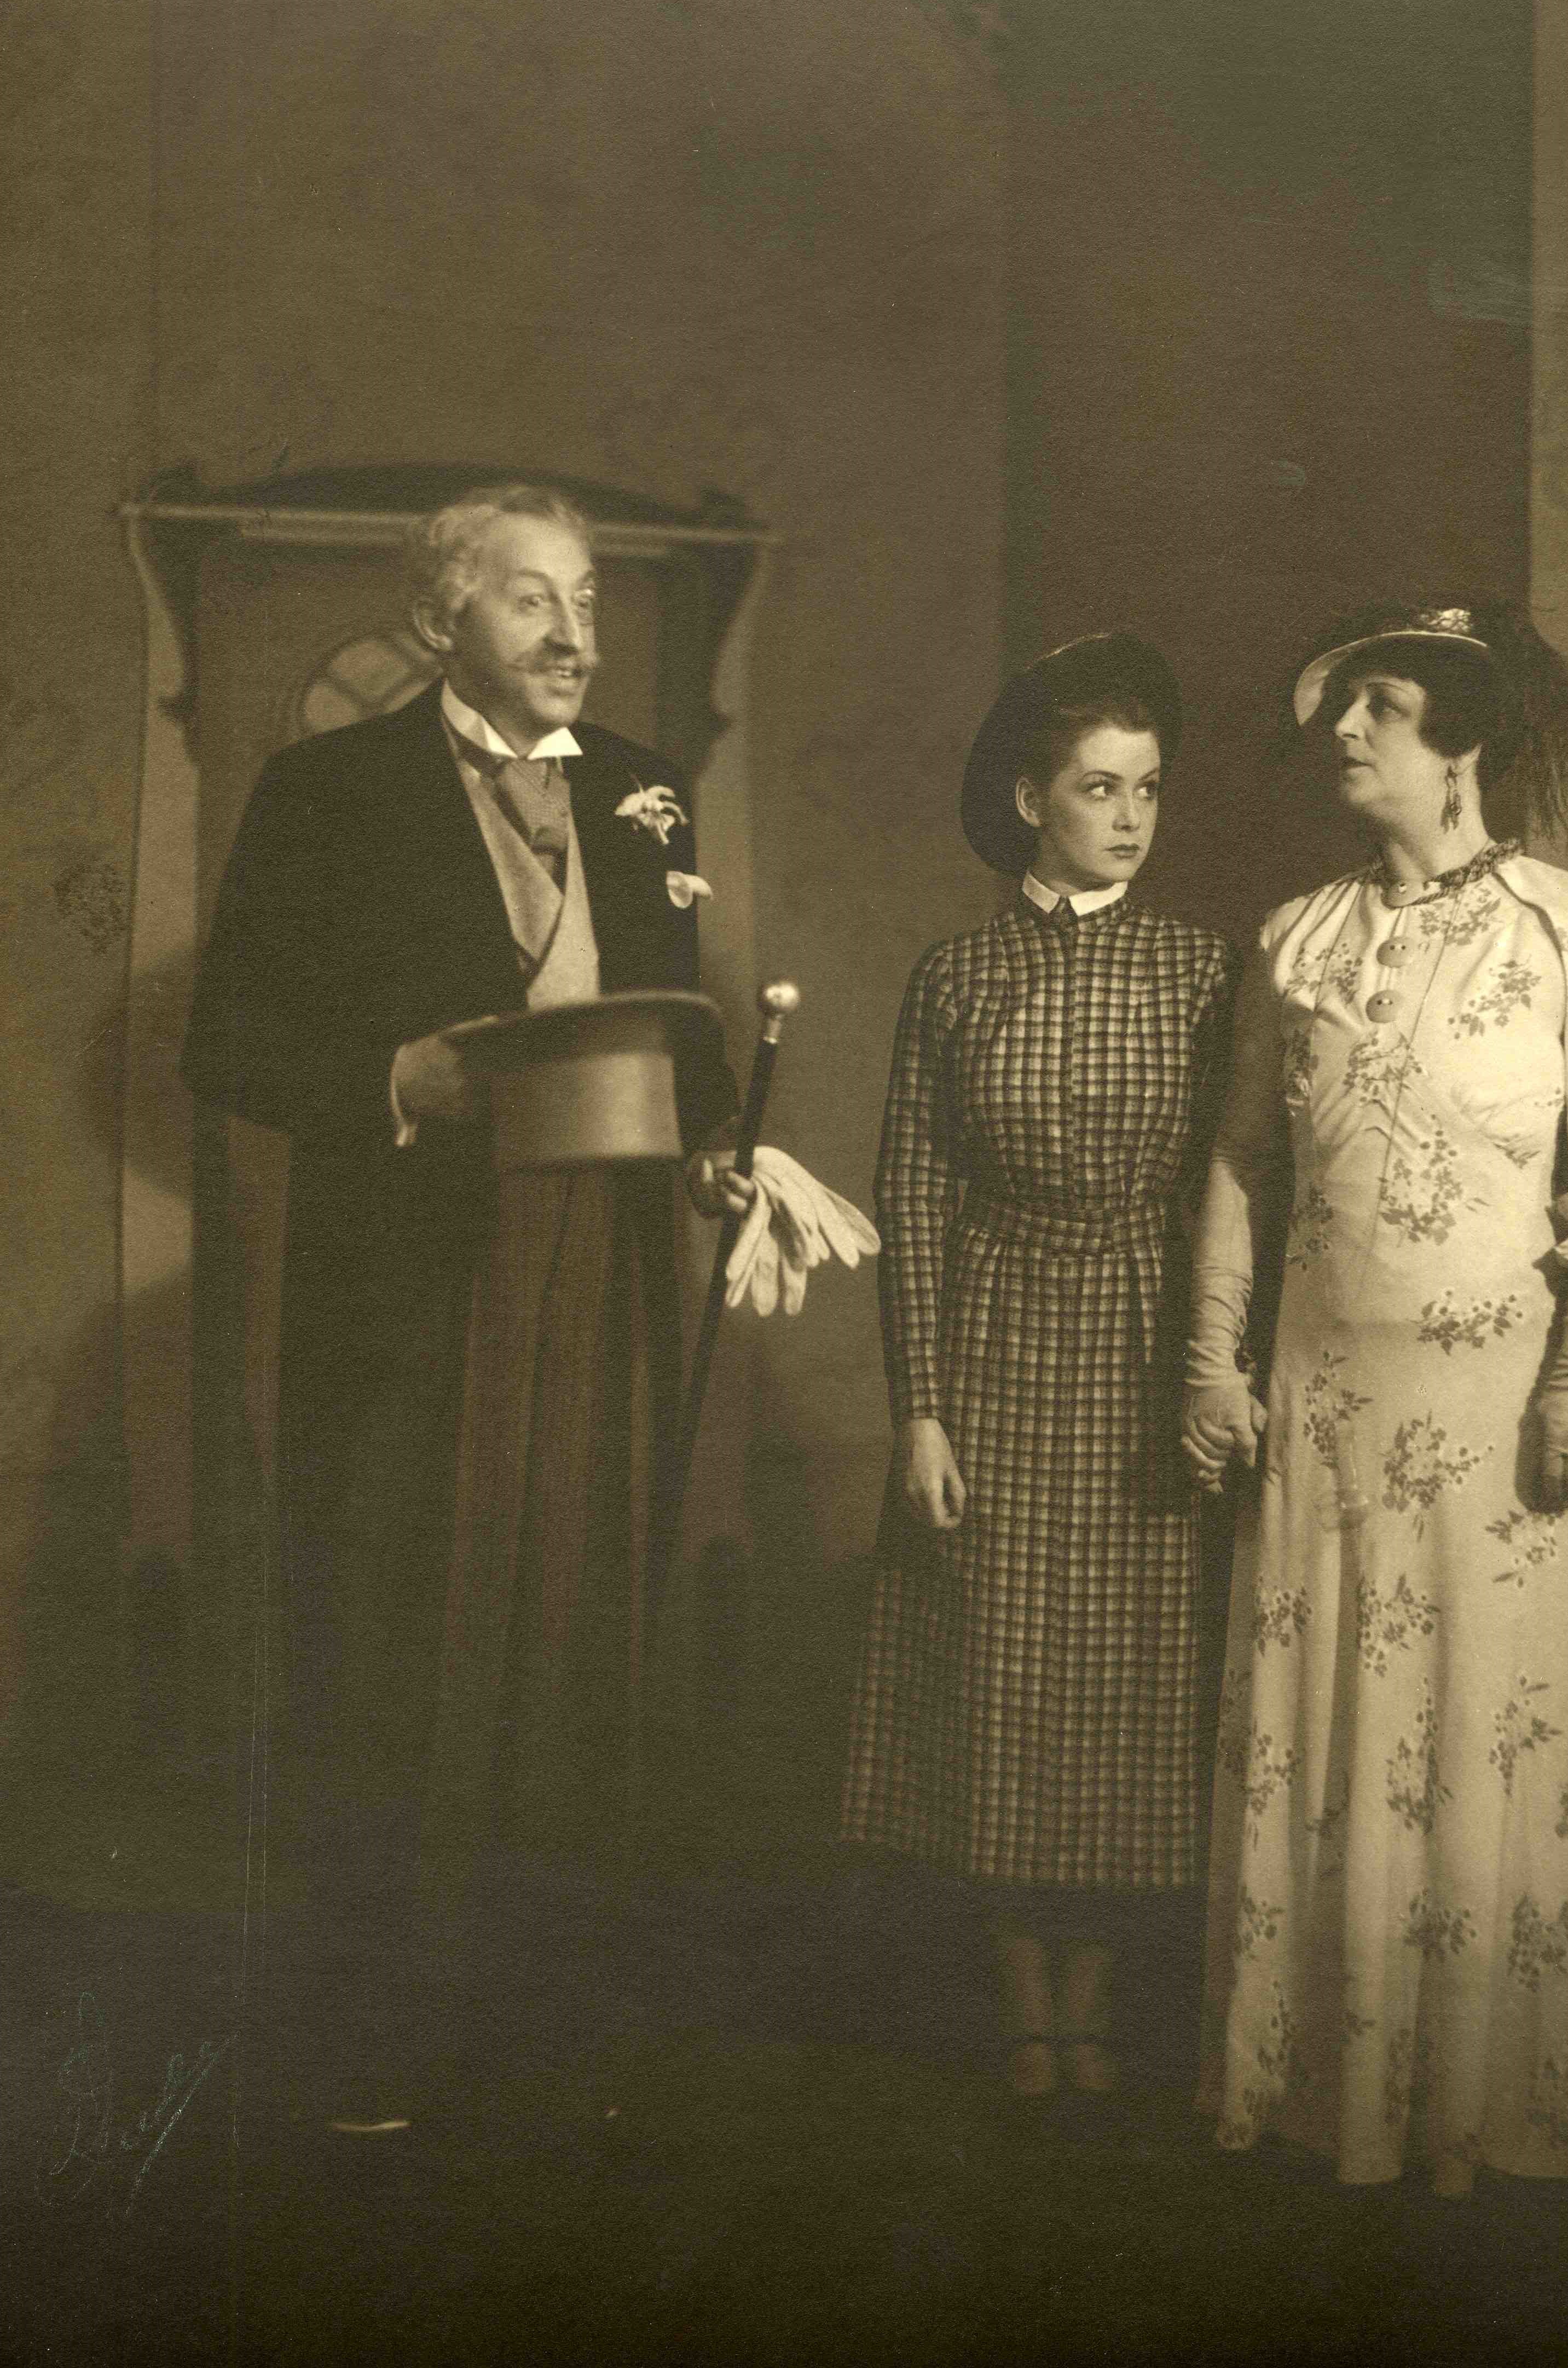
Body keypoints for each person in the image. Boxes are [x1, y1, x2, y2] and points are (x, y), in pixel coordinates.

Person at [184, 484, 763, 2111]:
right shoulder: (327, 790)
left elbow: (681, 1033)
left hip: (603, 1274)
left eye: (586, 600)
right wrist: (395, 1076)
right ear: (444, 618)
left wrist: (721, 1151)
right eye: (531, 600)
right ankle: (372, 2036)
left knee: (572, 1628)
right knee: (392, 1628)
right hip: (407, 1283)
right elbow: (224, 1042)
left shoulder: (646, 791)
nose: (575, 634)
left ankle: (554, 2038)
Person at [1182, 600, 1568, 2193]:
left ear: (1464, 742)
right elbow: (1240, 1165)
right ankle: (1329, 2101)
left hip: (1505, 1425)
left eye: (1383, 708)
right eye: (1340, 708)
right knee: (1339, 1739)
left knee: (1493, 1735)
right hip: (1325, 1412)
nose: (1345, 734)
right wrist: (1212, 1362)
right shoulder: (1296, 937)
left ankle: (1488, 2110)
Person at [843, 635, 1236, 2109]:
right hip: (997, 1341)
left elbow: (1234, 1187)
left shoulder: (1203, 969)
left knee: (1135, 1680)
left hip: (1146, 1343)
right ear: (1030, 800)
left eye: (1149, 790)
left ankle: (1100, 2002)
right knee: (1002, 1676)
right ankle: (1024, 2006)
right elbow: (914, 1192)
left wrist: (1215, 1370)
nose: (1129, 818)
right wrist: (921, 1411)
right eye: (1098, 788)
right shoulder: (956, 976)